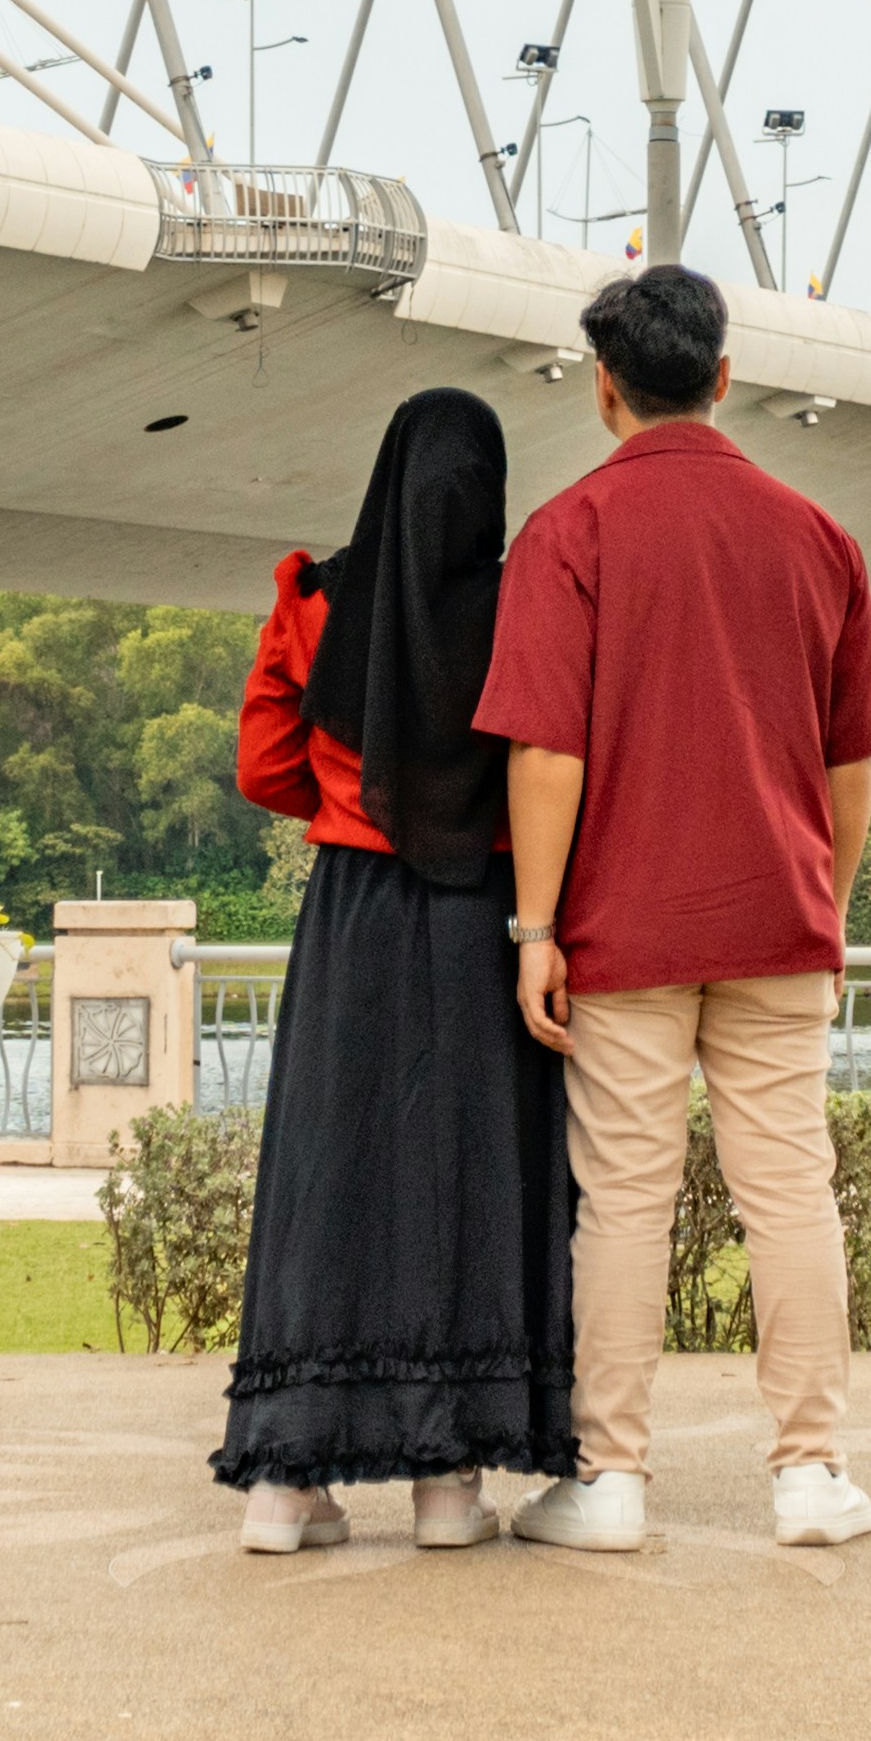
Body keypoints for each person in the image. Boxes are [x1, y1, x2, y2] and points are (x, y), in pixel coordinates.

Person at [477, 263, 871, 1555]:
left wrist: (536, 927)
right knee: (793, 1196)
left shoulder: (570, 530)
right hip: (778, 918)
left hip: (624, 928)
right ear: (724, 375)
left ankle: (610, 1481)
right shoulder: (820, 538)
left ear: (603, 389)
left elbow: (547, 752)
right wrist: (823, 894)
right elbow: (849, 760)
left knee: (625, 1204)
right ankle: (811, 1475)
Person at [213, 385, 574, 1554]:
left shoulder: (317, 599)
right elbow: (553, 756)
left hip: (355, 918)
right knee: (470, 1172)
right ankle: (449, 1488)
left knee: (335, 1172)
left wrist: (347, 788)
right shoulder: (527, 602)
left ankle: (285, 1485)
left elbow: (266, 763)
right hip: (488, 921)